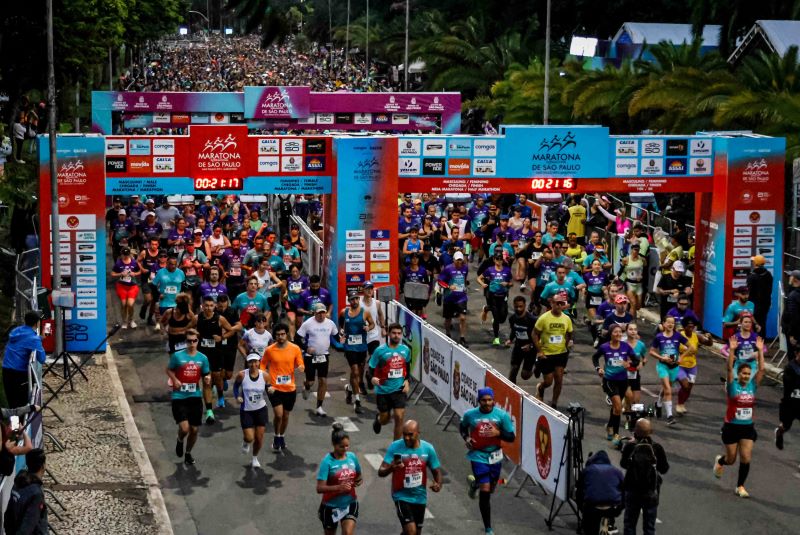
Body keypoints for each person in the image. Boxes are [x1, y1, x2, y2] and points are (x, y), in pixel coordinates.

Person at [713, 335, 765, 498]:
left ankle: (740, 486)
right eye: (743, 373)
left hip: (747, 427)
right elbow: (729, 369)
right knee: (731, 459)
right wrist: (732, 350)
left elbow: (762, 370)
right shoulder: (732, 386)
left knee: (746, 457)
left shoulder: (752, 385)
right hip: (731, 427)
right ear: (739, 374)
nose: (746, 376)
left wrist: (759, 351)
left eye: (748, 373)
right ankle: (721, 461)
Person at [460, 387, 516, 535]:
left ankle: (474, 483)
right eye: (484, 400)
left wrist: (499, 433)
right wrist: (466, 438)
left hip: (495, 455)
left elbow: (511, 437)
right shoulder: (470, 415)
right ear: (479, 401)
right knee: (485, 490)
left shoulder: (501, 416)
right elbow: (462, 427)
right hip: (478, 455)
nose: (487, 403)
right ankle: (488, 528)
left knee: (491, 487)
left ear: (493, 400)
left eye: (489, 400)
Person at [378, 420, 443, 535]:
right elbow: (381, 471)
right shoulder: (395, 447)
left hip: (420, 497)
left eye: (410, 435)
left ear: (418, 433)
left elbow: (437, 471)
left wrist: (438, 484)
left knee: (415, 533)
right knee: (411, 531)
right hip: (401, 495)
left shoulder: (428, 449)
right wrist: (391, 468)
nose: (406, 438)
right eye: (404, 434)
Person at [166, 329, 211, 466]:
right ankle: (180, 440)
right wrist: (175, 379)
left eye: (194, 341)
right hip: (179, 396)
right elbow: (169, 369)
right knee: (185, 428)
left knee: (194, 429)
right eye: (189, 341)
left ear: (198, 341)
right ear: (185, 342)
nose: (191, 343)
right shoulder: (177, 356)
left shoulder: (203, 358)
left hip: (195, 396)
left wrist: (208, 379)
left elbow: (206, 374)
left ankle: (188, 453)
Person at [620, 419, 669, 535]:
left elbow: (623, 464)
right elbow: (664, 469)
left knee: (629, 525)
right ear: (650, 431)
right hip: (650, 492)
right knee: (649, 527)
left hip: (632, 491)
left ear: (635, 431)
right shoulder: (656, 448)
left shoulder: (630, 447)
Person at [261, 323, 305, 452]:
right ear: (275, 336)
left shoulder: (295, 348)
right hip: (274, 387)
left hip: (290, 388)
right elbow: (263, 365)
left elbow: (300, 363)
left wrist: (301, 367)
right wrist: (265, 378)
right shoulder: (269, 350)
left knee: (285, 416)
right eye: (278, 335)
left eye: (282, 334)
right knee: (278, 415)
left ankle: (282, 436)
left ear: (287, 334)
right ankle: (276, 435)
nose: (280, 337)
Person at [316, 423, 363, 535]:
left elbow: (359, 475)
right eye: (341, 446)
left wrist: (358, 481)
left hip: (349, 503)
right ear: (334, 444)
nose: (345, 449)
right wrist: (339, 487)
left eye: (347, 446)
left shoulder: (352, 457)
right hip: (330, 506)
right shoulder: (327, 461)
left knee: (348, 533)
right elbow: (319, 488)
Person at [593, 324, 635, 445]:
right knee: (617, 407)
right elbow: (595, 357)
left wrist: (629, 364)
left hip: (623, 381)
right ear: (611, 334)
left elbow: (636, 360)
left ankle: (609, 425)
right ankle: (617, 435)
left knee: (616, 409)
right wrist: (598, 368)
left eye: (620, 332)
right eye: (616, 332)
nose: (618, 334)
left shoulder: (625, 347)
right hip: (609, 380)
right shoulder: (604, 347)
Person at [297, 303, 341, 417]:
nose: (321, 315)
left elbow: (336, 336)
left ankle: (319, 407)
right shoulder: (308, 323)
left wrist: (341, 338)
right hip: (310, 357)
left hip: (323, 356)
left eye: (323, 312)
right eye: (319, 313)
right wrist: (306, 348)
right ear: (314, 313)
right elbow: (297, 338)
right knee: (311, 382)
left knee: (323, 381)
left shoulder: (330, 323)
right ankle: (306, 386)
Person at [369, 323, 412, 440]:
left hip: (399, 389)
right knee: (385, 419)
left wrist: (407, 381)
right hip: (383, 390)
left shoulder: (405, 350)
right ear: (388, 334)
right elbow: (371, 368)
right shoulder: (380, 351)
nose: (396, 336)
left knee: (399, 416)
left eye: (399, 333)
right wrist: (372, 378)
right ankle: (378, 420)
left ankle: (396, 449)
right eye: (394, 333)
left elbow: (407, 368)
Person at [532, 292, 574, 409]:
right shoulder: (544, 318)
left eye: (562, 303)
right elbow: (534, 334)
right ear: (551, 303)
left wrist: (566, 345)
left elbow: (569, 334)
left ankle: (554, 403)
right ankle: (541, 387)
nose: (559, 306)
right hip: (547, 353)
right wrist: (539, 350)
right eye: (557, 303)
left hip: (560, 353)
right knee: (549, 381)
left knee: (559, 379)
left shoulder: (566, 319)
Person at [196, 296, 235, 422]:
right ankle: (209, 411)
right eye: (206, 305)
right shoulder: (197, 318)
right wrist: (194, 334)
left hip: (216, 353)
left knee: (217, 377)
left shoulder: (220, 319)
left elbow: (231, 331)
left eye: (211, 305)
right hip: (202, 354)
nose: (208, 308)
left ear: (214, 306)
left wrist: (222, 338)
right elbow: (188, 329)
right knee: (207, 381)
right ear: (202, 306)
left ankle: (220, 394)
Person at [339, 291, 375, 415]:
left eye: (356, 299)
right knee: (354, 371)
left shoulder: (365, 312)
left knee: (358, 373)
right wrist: (342, 333)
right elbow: (340, 324)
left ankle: (349, 389)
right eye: (352, 299)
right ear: (349, 301)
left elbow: (372, 324)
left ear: (358, 300)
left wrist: (368, 328)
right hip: (349, 347)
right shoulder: (344, 312)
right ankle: (357, 401)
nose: (354, 301)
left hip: (361, 347)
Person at [2, 311, 46, 409]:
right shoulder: (33, 339)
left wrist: (40, 338)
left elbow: (24, 341)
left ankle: (13, 423)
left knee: (12, 405)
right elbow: (42, 359)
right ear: (37, 323)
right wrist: (39, 341)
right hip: (19, 375)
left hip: (6, 371)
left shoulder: (17, 331)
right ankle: (21, 424)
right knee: (21, 406)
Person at [234, 353, 270, 468]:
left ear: (259, 362)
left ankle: (254, 458)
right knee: (250, 437)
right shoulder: (242, 375)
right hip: (247, 410)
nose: (253, 364)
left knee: (259, 438)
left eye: (255, 362)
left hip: (261, 409)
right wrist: (237, 397)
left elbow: (268, 388)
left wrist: (271, 390)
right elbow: (235, 387)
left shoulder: (264, 375)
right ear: (247, 363)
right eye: (251, 362)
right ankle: (246, 442)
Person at [650, 317, 687, 425]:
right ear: (664, 324)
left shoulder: (678, 336)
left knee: (667, 388)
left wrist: (681, 357)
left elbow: (691, 347)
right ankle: (669, 416)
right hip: (663, 366)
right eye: (668, 322)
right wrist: (661, 357)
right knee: (668, 390)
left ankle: (659, 403)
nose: (670, 324)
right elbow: (651, 351)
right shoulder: (659, 337)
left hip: (674, 366)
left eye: (673, 323)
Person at [576, 450, 624, 535]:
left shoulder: (587, 470)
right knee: (609, 525)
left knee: (588, 529)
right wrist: (618, 510)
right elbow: (625, 493)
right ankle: (609, 526)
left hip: (591, 507)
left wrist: (582, 509)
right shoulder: (617, 472)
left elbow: (579, 492)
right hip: (610, 508)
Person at [4, 448, 48, 534]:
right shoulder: (36, 494)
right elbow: (28, 526)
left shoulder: (18, 482)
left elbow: (8, 516)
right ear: (43, 466)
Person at [675, 317, 712, 415]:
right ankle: (678, 404)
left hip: (692, 366)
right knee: (685, 385)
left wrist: (710, 338)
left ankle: (682, 403)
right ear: (684, 327)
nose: (691, 328)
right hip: (680, 366)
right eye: (689, 326)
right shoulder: (679, 336)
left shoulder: (697, 336)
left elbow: (709, 343)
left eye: (693, 326)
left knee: (688, 388)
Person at [477, 252, 512, 346]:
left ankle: (486, 308)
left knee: (503, 318)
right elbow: (479, 278)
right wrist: (483, 284)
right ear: (494, 260)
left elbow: (511, 283)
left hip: (503, 296)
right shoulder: (489, 270)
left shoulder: (507, 270)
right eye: (497, 259)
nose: (499, 261)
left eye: (500, 259)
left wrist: (507, 284)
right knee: (496, 318)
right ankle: (496, 338)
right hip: (493, 296)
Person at [438, 251, 469, 347]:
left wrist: (465, 286)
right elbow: (440, 281)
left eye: (461, 260)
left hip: (461, 297)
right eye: (457, 260)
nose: (459, 262)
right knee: (448, 319)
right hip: (449, 297)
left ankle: (462, 337)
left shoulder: (465, 268)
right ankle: (447, 334)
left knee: (463, 318)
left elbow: (464, 278)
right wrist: (448, 286)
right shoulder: (448, 269)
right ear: (454, 260)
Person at [506, 296, 537, 384]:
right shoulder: (512, 318)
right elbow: (513, 330)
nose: (518, 309)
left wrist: (530, 345)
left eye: (521, 306)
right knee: (513, 369)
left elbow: (540, 337)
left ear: (525, 306)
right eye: (516, 307)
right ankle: (512, 391)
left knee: (525, 375)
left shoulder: (532, 320)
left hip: (531, 349)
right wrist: (510, 339)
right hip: (518, 346)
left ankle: (537, 367)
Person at [775, 343, 800, 451]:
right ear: (796, 353)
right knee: (786, 426)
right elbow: (789, 385)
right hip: (790, 404)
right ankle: (779, 432)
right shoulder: (790, 367)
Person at [111, 246, 142, 328]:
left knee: (130, 304)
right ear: (121, 254)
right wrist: (120, 274)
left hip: (132, 286)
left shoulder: (134, 262)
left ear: (129, 254)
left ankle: (131, 320)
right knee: (123, 304)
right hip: (122, 286)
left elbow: (139, 271)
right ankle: (124, 321)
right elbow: (112, 274)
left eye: (127, 254)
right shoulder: (118, 263)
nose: (125, 256)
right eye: (124, 255)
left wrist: (134, 274)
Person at [746, 255, 773, 332]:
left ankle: (755, 341)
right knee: (762, 322)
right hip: (765, 303)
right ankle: (761, 341)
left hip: (754, 304)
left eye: (754, 261)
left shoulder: (752, 276)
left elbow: (749, 291)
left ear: (755, 264)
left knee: (754, 324)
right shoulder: (768, 274)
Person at [782, 270, 800, 361]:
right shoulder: (794, 292)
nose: (789, 278)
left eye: (790, 276)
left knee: (793, 357)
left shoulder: (793, 296)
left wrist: (792, 334)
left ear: (795, 279)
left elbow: (793, 316)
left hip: (794, 332)